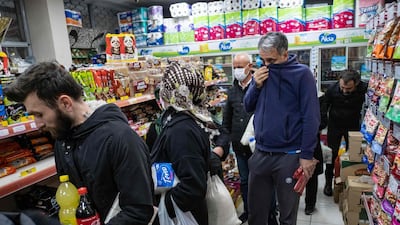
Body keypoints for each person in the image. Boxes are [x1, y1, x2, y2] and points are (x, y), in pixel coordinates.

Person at [4, 62, 155, 225]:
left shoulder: (121, 139)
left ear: (66, 103)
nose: (37, 124)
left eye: (39, 114)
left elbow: (139, 211)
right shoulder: (63, 142)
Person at [243, 32, 320, 225]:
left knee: (287, 216)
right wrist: (255, 85)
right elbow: (248, 106)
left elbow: (311, 117)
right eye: (263, 59)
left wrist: (306, 155)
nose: (266, 64)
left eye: (271, 60)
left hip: (289, 156)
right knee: (256, 214)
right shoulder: (262, 73)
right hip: (261, 153)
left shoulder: (302, 75)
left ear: (285, 54)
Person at [151, 62, 218, 225]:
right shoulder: (191, 119)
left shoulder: (182, 130)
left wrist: (167, 205)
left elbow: (192, 186)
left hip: (183, 216)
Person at [213, 52, 277, 224]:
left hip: (260, 147)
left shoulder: (261, 87)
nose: (237, 70)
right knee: (245, 181)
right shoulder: (232, 91)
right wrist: (225, 141)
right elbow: (226, 120)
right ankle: (250, 212)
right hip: (239, 147)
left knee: (265, 181)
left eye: (240, 67)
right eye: (234, 67)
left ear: (250, 66)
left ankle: (271, 213)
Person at [323, 70, 368, 196]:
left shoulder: (364, 88)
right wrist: (322, 123)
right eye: (342, 87)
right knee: (331, 155)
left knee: (353, 156)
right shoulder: (332, 89)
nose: (344, 91)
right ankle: (328, 183)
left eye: (348, 89)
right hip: (335, 125)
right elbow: (324, 106)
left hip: (352, 126)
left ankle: (349, 183)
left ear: (356, 84)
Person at [304, 92, 328, 215]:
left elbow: (323, 121)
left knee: (311, 174)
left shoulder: (319, 98)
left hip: (312, 140)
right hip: (292, 141)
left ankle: (310, 204)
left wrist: (311, 126)